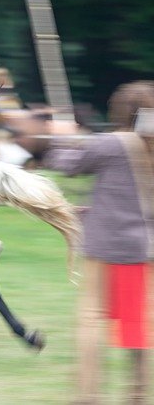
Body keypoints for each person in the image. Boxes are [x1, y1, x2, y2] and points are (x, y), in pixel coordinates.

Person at [44, 93, 153, 403]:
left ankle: (88, 397)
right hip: (144, 250)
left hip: (109, 248)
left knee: (92, 320)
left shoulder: (115, 143)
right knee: (138, 326)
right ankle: (137, 396)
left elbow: (67, 165)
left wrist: (61, 137)